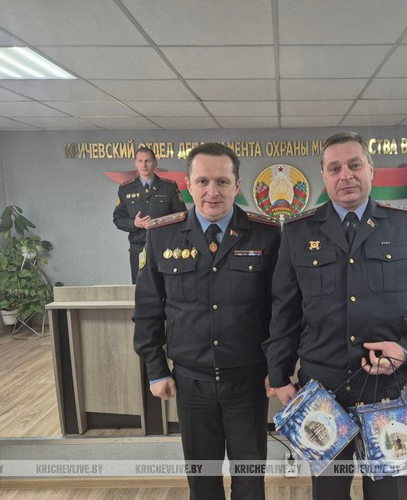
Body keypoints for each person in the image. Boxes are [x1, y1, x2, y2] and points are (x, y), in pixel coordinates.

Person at [263, 132, 407, 500]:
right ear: (324, 175)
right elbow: (284, 309)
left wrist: (406, 348)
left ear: (371, 169)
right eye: (335, 168)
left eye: (354, 165)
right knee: (329, 492)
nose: (346, 175)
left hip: (388, 391)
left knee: (388, 494)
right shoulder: (298, 232)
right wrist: (279, 373)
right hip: (322, 391)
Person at [133, 143, 281, 500]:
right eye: (202, 181)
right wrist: (156, 369)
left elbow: (282, 309)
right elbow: (148, 308)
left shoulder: (267, 234)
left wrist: (278, 367)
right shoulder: (161, 234)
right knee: (202, 481)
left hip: (247, 381)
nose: (212, 191)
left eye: (222, 181)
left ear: (237, 185)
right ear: (188, 184)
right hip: (190, 382)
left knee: (250, 480)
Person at [113, 147, 186, 283]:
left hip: (164, 247)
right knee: (140, 288)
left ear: (155, 163)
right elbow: (118, 219)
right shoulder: (125, 189)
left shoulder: (169, 187)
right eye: (140, 161)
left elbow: (181, 216)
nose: (144, 165)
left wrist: (160, 223)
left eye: (148, 161)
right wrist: (134, 223)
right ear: (135, 163)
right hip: (138, 247)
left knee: (166, 287)